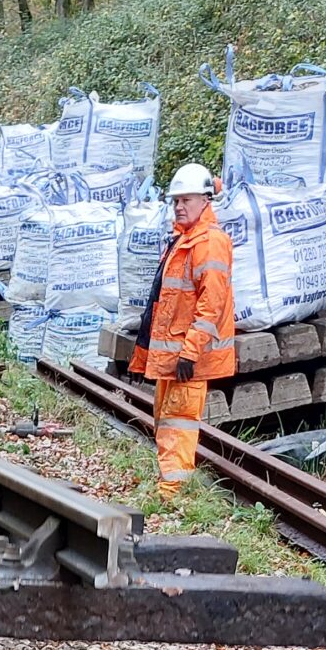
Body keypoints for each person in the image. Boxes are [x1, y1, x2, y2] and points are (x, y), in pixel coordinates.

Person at [131, 162, 235, 502]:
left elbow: (211, 305)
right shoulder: (184, 239)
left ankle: (172, 495)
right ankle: (169, 486)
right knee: (166, 420)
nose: (179, 206)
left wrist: (190, 351)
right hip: (173, 357)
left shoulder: (209, 243)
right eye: (175, 200)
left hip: (188, 358)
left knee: (178, 423)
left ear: (205, 200)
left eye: (186, 200)